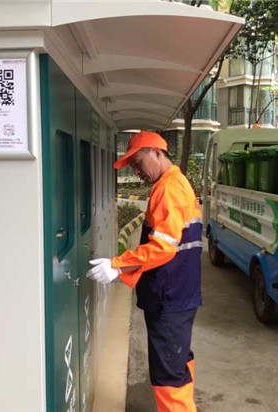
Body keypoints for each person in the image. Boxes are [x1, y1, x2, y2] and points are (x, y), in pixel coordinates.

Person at [86, 131, 203, 412]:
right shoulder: (175, 183)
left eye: (138, 163)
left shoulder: (169, 188)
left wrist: (118, 266)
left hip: (170, 297)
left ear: (157, 153)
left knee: (168, 376)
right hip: (178, 293)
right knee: (177, 364)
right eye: (133, 167)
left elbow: (163, 248)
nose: (137, 172)